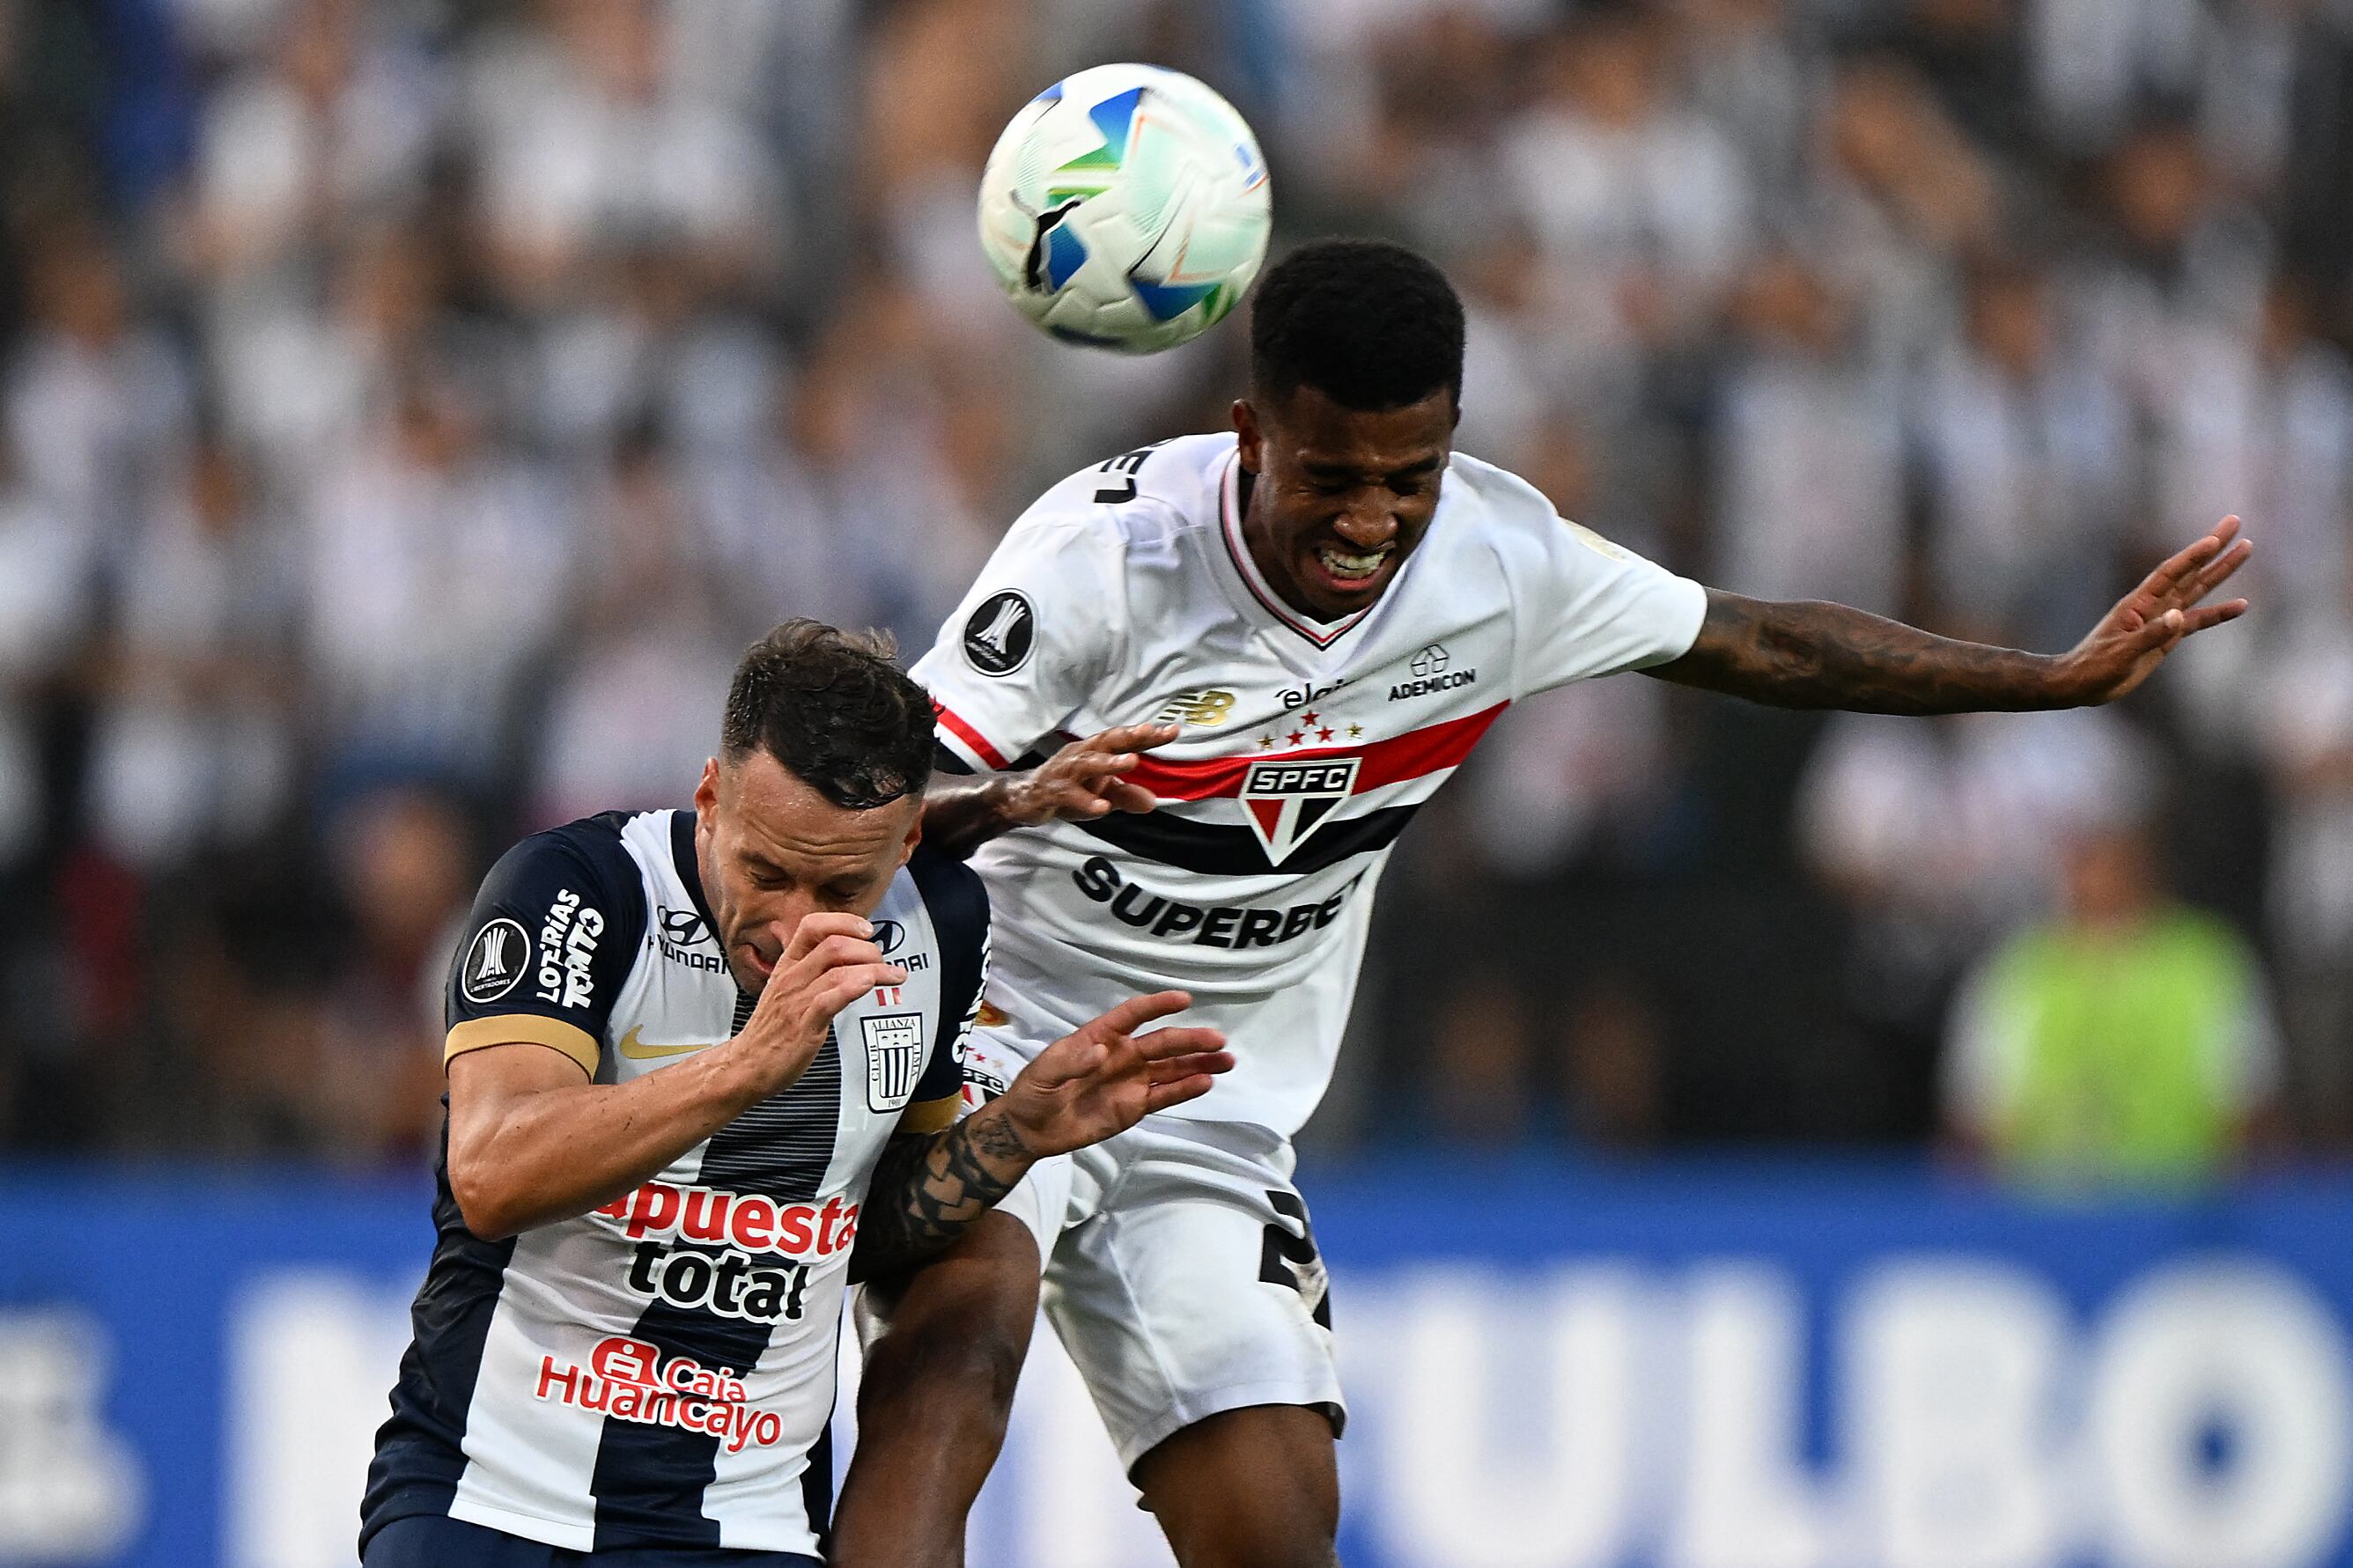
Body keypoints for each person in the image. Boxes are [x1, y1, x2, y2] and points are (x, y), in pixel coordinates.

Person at [831, 239, 2252, 1568]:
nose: (1372, 520)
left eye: (1413, 475)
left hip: (1206, 1091)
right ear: (1251, 433)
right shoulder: (1100, 563)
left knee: (1272, 1519)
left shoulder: (1497, 564)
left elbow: (1756, 641)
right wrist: (1015, 800)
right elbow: (858, 817)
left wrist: (2045, 677)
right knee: (953, 1362)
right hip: (995, 1031)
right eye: (1331, 475)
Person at [357, 620, 1232, 1566]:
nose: (792, 924)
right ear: (709, 797)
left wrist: (1012, 1133)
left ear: (903, 849)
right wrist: (749, 1060)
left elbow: (872, 1227)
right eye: (764, 871)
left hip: (749, 1522)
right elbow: (488, 1171)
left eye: (840, 885)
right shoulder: (578, 887)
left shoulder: (937, 924)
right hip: (490, 1499)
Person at [1944, 812, 2285, 1188]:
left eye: (2117, 865)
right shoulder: (2018, 972)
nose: (2102, 881)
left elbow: (2248, 1100)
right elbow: (1979, 1109)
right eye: (2088, 864)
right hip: (2046, 1211)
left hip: (2181, 1207)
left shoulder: (2208, 963)